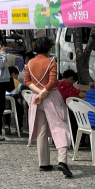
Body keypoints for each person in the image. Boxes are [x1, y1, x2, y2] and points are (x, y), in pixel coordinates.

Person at [24, 37, 73, 177]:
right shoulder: (51, 62)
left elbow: (26, 80)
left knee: (41, 130)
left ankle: (43, 163)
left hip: (36, 99)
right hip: (51, 97)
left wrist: (39, 92)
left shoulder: (30, 63)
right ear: (47, 48)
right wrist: (44, 92)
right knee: (60, 127)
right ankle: (62, 161)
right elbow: (52, 82)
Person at [57, 69, 88, 147]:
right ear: (71, 78)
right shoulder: (67, 85)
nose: (73, 84)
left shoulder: (56, 83)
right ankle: (78, 140)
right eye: (73, 82)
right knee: (80, 117)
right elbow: (81, 95)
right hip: (66, 111)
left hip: (55, 109)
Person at [3, 66, 24, 135]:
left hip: (3, 103)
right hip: (13, 102)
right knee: (20, 109)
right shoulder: (16, 82)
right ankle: (19, 128)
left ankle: (7, 125)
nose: (17, 78)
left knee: (6, 112)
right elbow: (22, 88)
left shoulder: (3, 81)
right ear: (13, 74)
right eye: (17, 76)